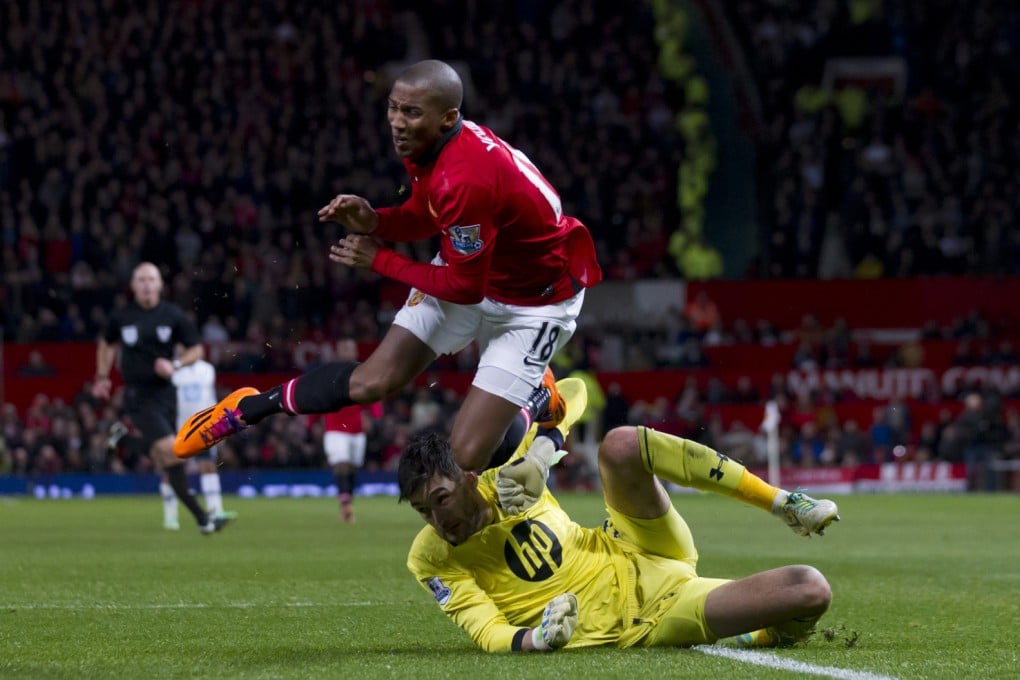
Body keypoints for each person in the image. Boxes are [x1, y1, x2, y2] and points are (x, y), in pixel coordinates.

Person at [175, 59, 601, 477]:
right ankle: (246, 409)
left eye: (411, 112)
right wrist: (378, 221)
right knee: (370, 382)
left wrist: (379, 258)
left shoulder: (465, 176)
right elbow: (430, 212)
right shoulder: (433, 145)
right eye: (393, 107)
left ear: (448, 116)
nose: (397, 121)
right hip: (479, 270)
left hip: (535, 303)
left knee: (470, 455)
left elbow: (463, 287)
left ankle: (537, 397)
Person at [400, 380, 838, 653]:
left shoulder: (507, 475)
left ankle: (782, 502)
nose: (437, 521)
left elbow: (572, 390)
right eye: (423, 511)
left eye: (441, 500)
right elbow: (487, 631)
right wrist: (537, 639)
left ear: (470, 481)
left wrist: (542, 452)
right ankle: (764, 636)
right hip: (649, 620)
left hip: (635, 544)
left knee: (621, 445)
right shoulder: (432, 557)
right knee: (810, 588)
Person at [93, 262, 229, 535]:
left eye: (150, 279)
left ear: (159, 285)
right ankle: (122, 439)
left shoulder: (173, 315)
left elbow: (196, 349)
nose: (145, 284)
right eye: (140, 279)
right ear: (133, 285)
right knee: (172, 451)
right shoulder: (122, 316)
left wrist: (176, 365)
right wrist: (102, 376)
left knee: (170, 463)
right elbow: (106, 343)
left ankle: (203, 519)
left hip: (167, 395)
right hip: (138, 395)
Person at [168, 358, 238, 530]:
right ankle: (170, 517)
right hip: (179, 427)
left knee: (208, 465)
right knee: (172, 469)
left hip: (203, 428)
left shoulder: (207, 369)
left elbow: (211, 398)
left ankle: (217, 511)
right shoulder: (173, 368)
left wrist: (219, 425)